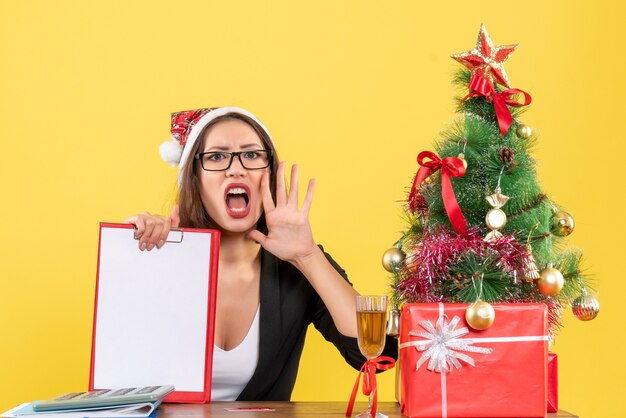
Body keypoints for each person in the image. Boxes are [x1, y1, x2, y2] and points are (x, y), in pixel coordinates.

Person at [124, 107, 397, 401]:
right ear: (194, 180)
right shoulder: (162, 257)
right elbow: (122, 377)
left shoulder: (297, 266)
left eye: (252, 155)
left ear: (268, 174)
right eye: (216, 156)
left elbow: (375, 356)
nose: (236, 168)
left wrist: (307, 257)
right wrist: (140, 257)